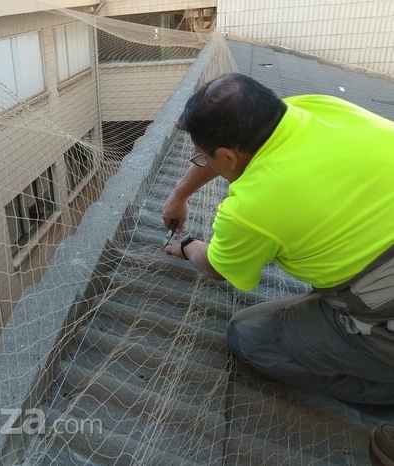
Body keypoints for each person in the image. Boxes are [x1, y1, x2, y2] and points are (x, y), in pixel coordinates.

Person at [162, 73, 394, 464]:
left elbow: (216, 266)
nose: (203, 163)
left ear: (228, 157)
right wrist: (180, 193)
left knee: (249, 337)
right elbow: (228, 151)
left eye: (203, 156)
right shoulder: (313, 107)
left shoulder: (251, 210)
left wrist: (186, 246)